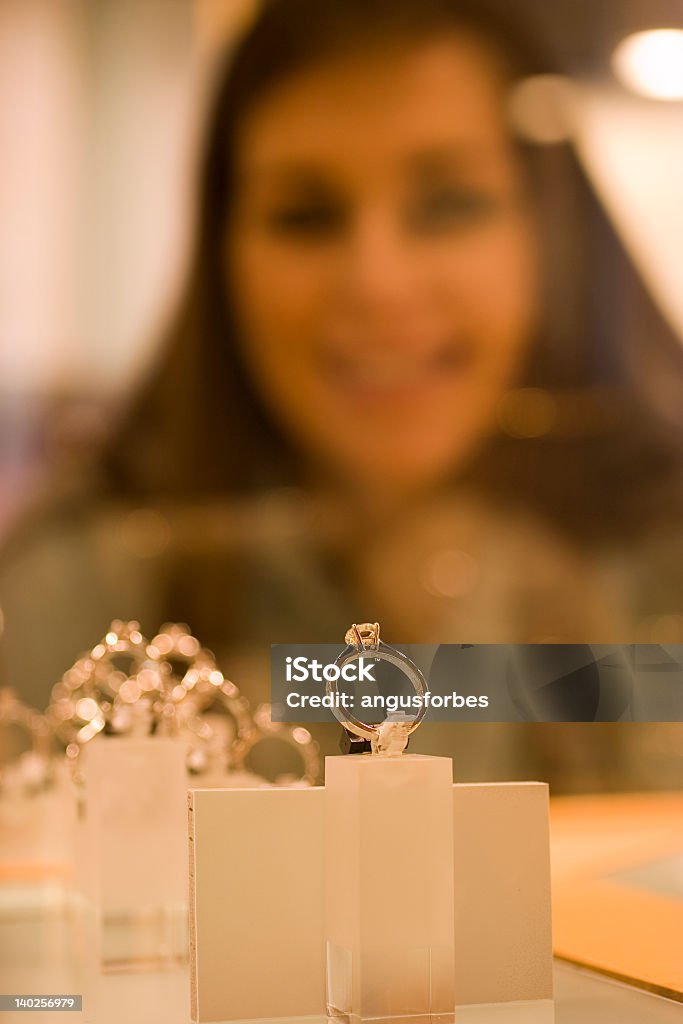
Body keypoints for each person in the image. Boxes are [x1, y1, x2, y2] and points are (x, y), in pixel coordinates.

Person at [1, 0, 682, 789]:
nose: (377, 284)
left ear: (551, 236)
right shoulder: (87, 590)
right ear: (223, 255)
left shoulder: (658, 556)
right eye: (306, 215)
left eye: (449, 204)